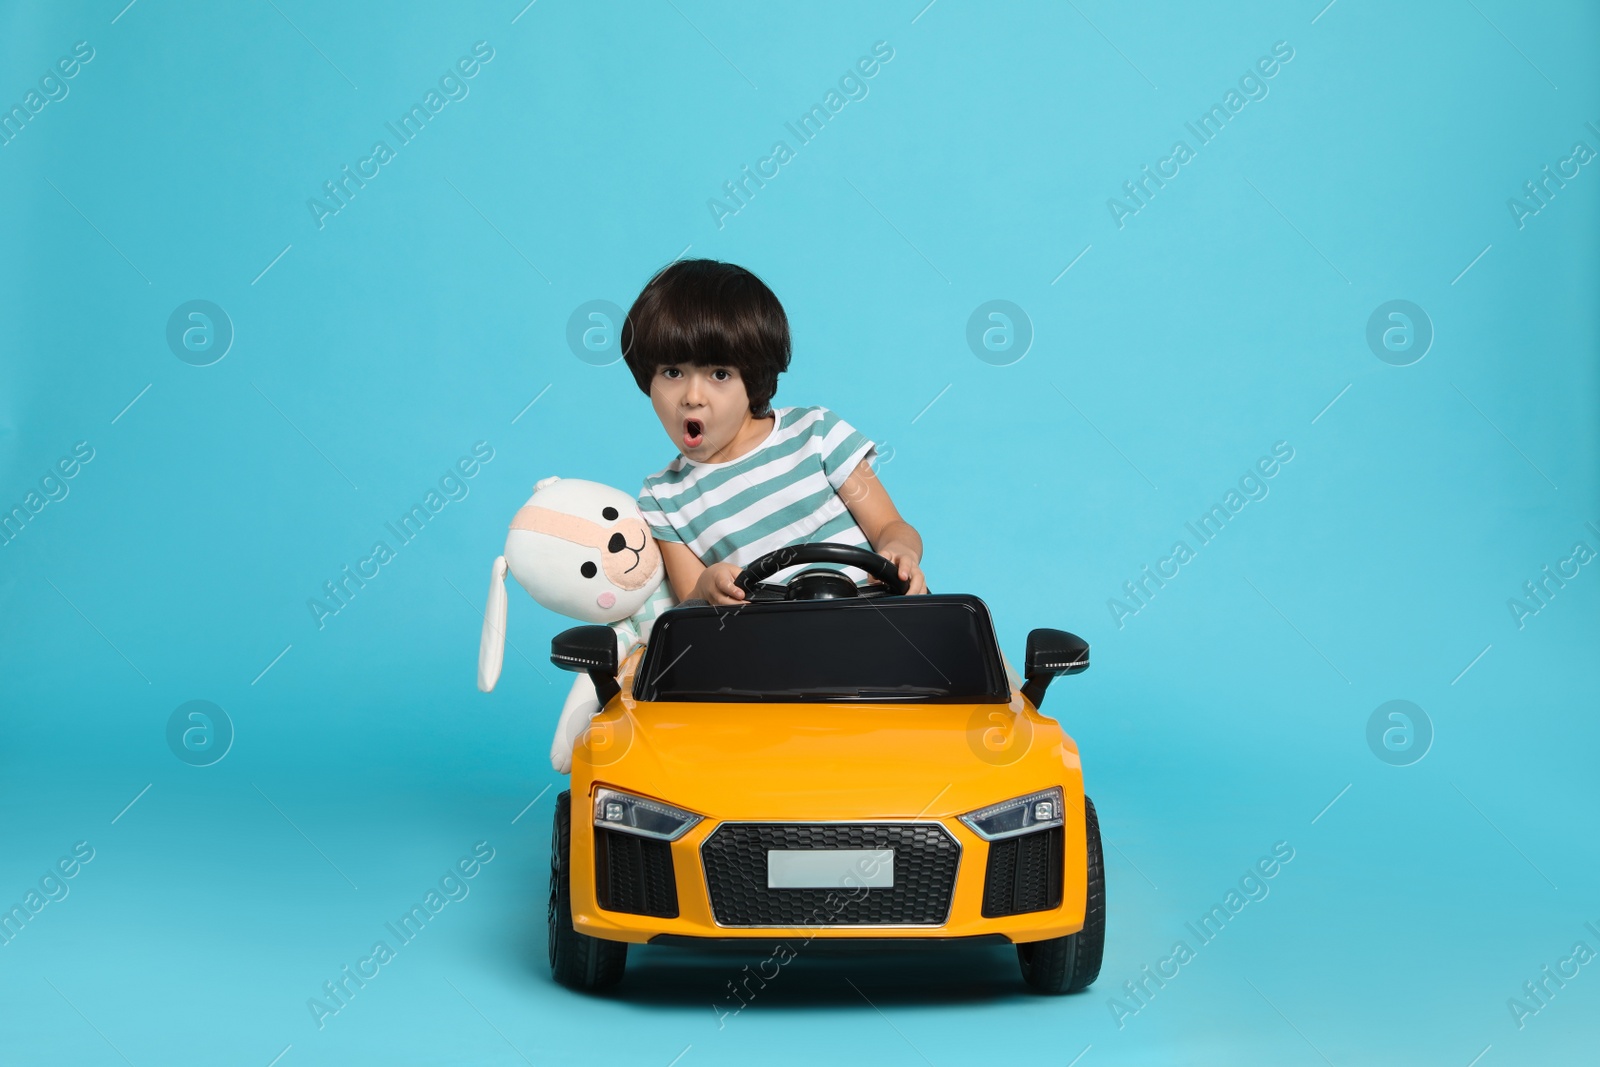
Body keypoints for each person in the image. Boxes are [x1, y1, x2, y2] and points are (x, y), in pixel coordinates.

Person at [622, 259, 927, 604]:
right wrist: (707, 587)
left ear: (752, 380)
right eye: (672, 372)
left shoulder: (815, 433)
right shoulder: (663, 498)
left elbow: (890, 527)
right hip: (771, 647)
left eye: (719, 374)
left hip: (877, 620)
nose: (692, 398)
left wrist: (900, 551)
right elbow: (688, 610)